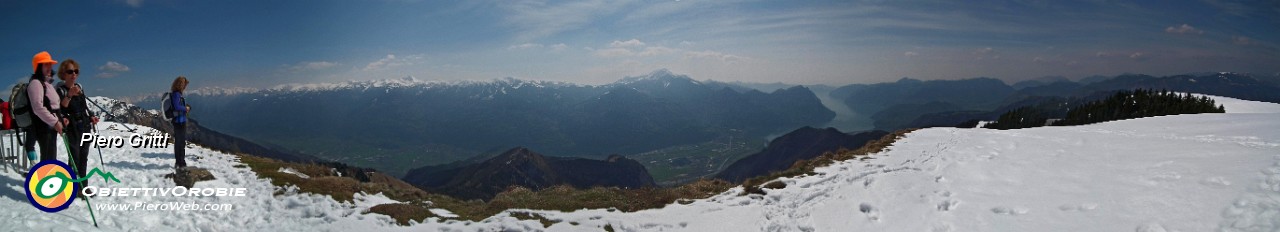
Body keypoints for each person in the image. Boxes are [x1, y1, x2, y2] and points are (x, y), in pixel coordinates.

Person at [56, 59, 98, 196]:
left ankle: (83, 187)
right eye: (70, 71)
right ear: (63, 74)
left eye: (76, 71)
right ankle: (73, 187)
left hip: (84, 125)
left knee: (83, 157)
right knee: (74, 157)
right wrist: (69, 95)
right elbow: (61, 107)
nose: (73, 74)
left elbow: (84, 105)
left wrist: (91, 116)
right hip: (72, 127)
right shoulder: (61, 90)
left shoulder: (79, 86)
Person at [26, 51, 66, 162]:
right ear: (38, 67)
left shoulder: (46, 84)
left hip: (49, 126)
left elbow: (53, 106)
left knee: (50, 157)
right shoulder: (36, 83)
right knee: (49, 158)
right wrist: (55, 122)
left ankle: (48, 177)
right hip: (44, 127)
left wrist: (61, 119)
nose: (49, 67)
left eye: (50, 64)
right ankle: (46, 178)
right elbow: (38, 108)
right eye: (46, 64)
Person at [169, 76, 190, 169]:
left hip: (179, 121)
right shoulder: (177, 94)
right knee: (180, 143)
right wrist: (186, 108)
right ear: (181, 84)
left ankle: (179, 162)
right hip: (180, 121)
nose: (185, 87)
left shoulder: (176, 94)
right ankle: (181, 163)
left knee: (179, 142)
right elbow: (177, 107)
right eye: (185, 84)